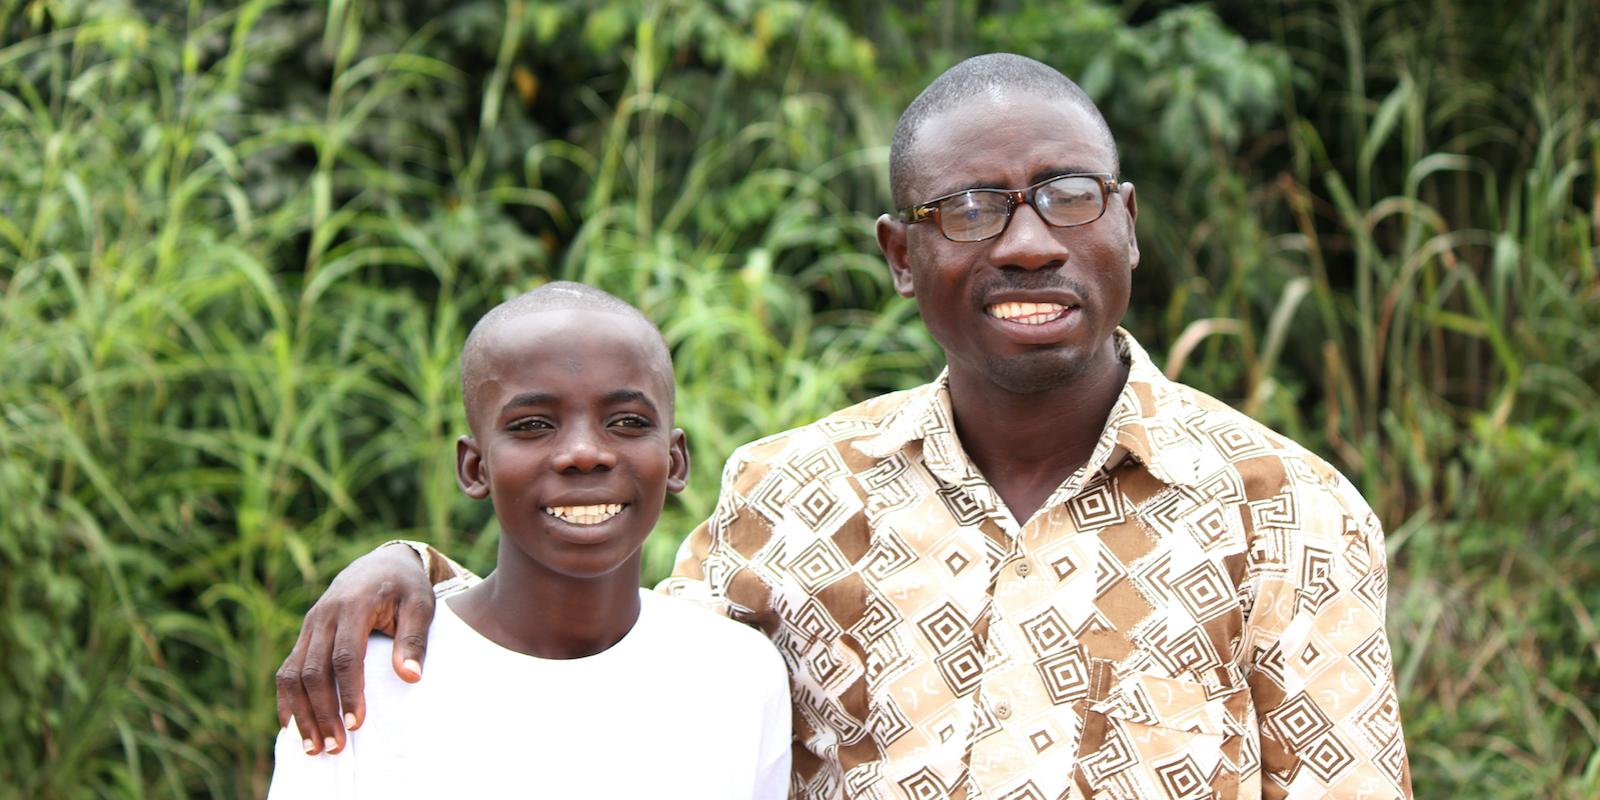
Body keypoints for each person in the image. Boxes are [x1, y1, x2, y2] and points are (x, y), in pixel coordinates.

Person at [276, 54, 1413, 799]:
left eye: (1066, 192)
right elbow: (609, 648)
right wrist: (409, 570)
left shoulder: (1288, 511)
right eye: (966, 206)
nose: (1025, 241)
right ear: (898, 254)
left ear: (1124, 222)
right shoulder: (790, 494)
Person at [267, 284, 792, 798]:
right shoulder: (363, 682)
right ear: (475, 467)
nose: (585, 452)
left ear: (674, 460)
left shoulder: (736, 676)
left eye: (628, 422)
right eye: (533, 425)